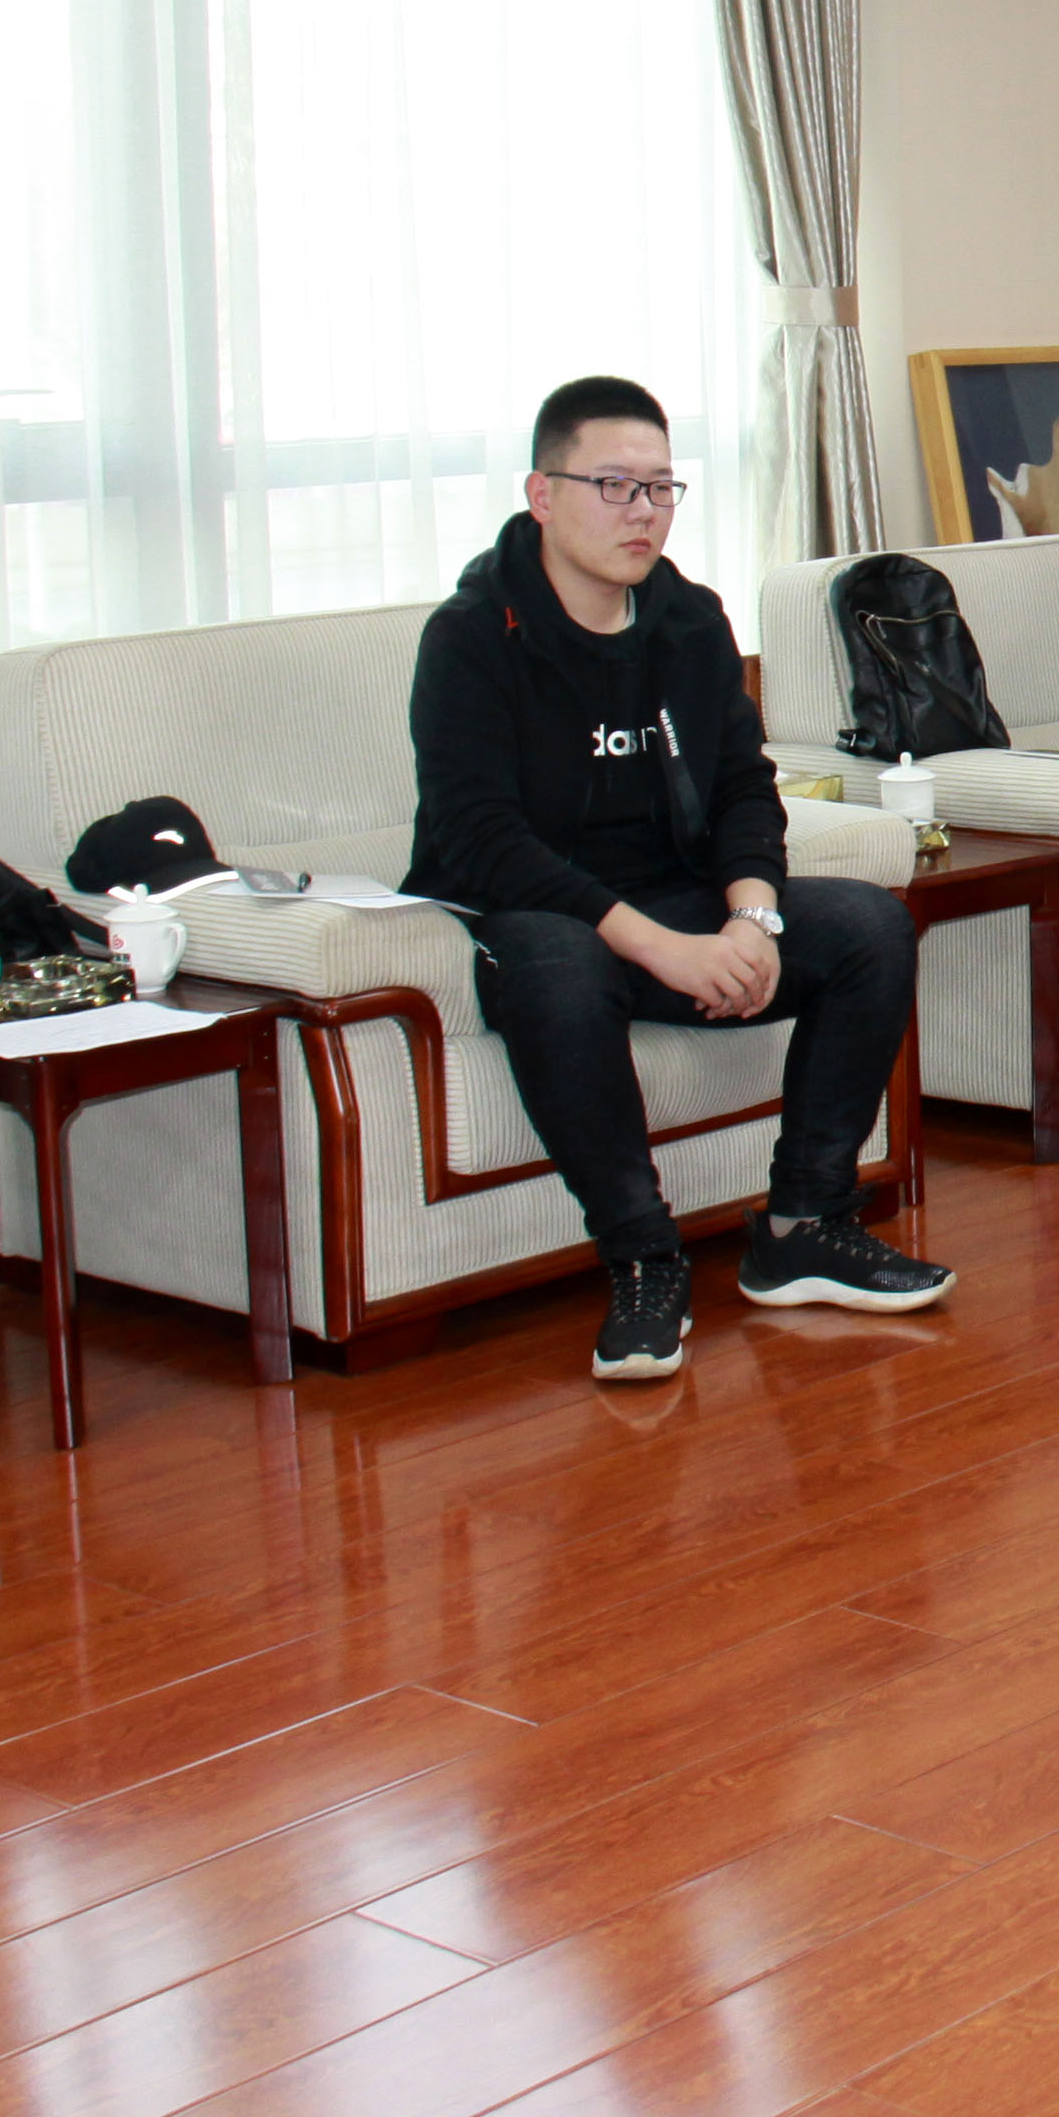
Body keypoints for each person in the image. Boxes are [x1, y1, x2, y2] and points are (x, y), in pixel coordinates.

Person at [405, 376, 950, 1382]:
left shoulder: (689, 621)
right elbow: (481, 838)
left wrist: (752, 919)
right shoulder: (474, 635)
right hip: (542, 916)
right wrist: (663, 947)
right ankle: (644, 1259)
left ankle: (804, 1223)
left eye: (661, 487)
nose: (643, 511)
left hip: (682, 902)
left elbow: (744, 786)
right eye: (614, 485)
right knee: (559, 965)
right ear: (542, 494)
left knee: (871, 925)